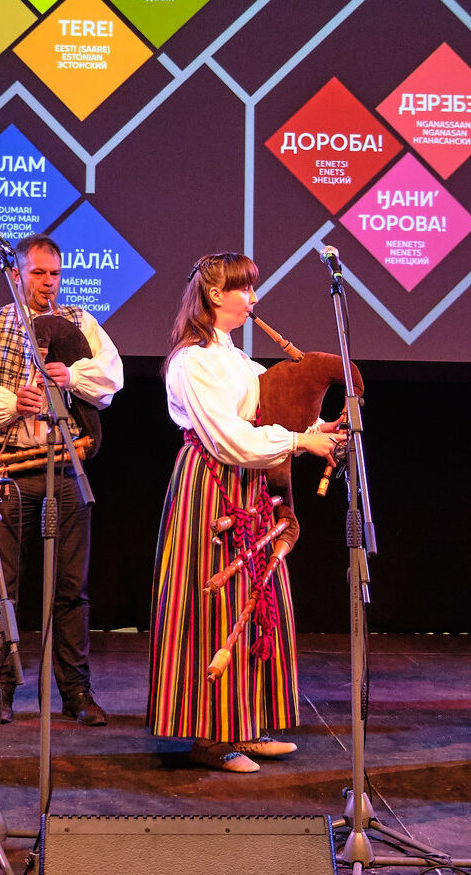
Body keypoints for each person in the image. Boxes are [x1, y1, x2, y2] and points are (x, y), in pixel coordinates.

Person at [147, 252, 346, 772]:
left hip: (248, 488)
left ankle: (243, 723)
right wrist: (299, 441)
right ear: (216, 295)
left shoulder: (235, 358)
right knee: (214, 603)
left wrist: (317, 430)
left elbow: (271, 412)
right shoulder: (192, 361)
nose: (253, 299)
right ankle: (210, 738)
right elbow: (229, 439)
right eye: (245, 289)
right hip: (211, 486)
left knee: (255, 597)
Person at [0, 234, 123, 726]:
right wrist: (14, 402)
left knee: (71, 588)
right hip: (10, 466)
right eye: (38, 273)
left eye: (54, 273)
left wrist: (72, 378)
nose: (48, 282)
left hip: (66, 468)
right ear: (16, 274)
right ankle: (0, 690)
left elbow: (110, 378)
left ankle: (75, 691)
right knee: (3, 586)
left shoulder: (80, 322)